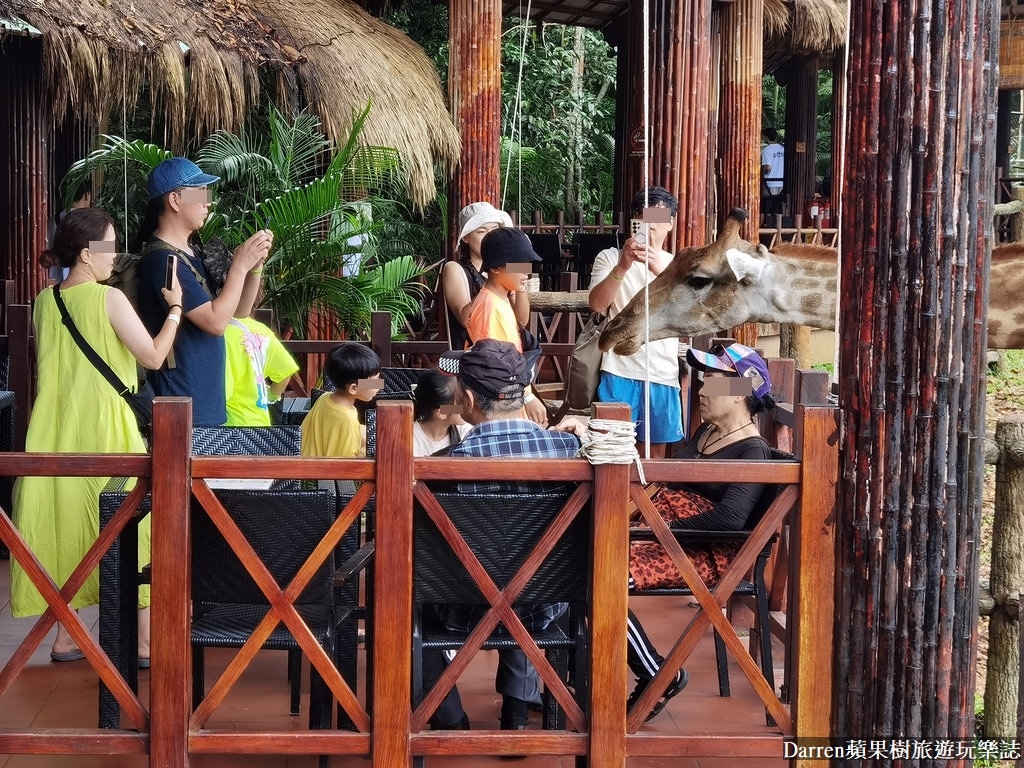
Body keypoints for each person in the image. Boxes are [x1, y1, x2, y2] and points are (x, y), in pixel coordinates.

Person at [10, 208, 183, 663]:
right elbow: (151, 356)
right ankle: (143, 642)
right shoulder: (108, 299)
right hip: (107, 430)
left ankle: (67, 637)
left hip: (54, 432)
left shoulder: (44, 301)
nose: (115, 256)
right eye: (109, 246)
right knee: (132, 528)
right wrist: (175, 311)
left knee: (69, 527)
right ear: (87, 254)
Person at [424, 340, 585, 731]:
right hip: (546, 605)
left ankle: (450, 720)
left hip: (462, 609)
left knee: (402, 597)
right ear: (524, 388)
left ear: (465, 398)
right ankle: (516, 711)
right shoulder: (570, 450)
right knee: (523, 572)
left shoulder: (444, 466)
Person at [626, 343, 777, 718]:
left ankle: (657, 675)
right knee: (578, 564)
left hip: (703, 552)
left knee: (596, 579)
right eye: (704, 379)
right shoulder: (705, 434)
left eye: (715, 382)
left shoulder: (752, 452)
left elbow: (729, 521)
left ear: (743, 391)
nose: (703, 389)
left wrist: (660, 529)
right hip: (667, 540)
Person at [133, 156, 273, 426]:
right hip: (182, 399)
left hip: (204, 400)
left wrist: (255, 267)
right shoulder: (163, 259)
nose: (207, 202)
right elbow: (216, 323)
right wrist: (239, 268)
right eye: (199, 193)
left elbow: (238, 312)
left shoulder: (191, 253)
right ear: (174, 201)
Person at [588, 186, 683, 458]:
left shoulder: (678, 264)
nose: (650, 227)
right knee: (611, 453)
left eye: (657, 219)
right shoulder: (609, 257)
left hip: (662, 373)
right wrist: (622, 266)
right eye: (643, 219)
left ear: (670, 223)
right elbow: (597, 304)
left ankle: (646, 502)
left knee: (654, 456)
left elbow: (686, 309)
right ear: (633, 222)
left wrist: (659, 270)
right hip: (618, 369)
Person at [465, 226, 548, 426]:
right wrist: (527, 397)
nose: (526, 272)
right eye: (518, 265)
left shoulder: (500, 298)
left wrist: (519, 288)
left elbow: (522, 320)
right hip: (498, 408)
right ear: (495, 268)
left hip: (509, 399)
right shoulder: (489, 308)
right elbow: (496, 365)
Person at [440, 202, 530, 352]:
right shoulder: (454, 268)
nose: (489, 236)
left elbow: (521, 321)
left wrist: (520, 282)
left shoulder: (507, 268)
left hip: (506, 352)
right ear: (466, 238)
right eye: (482, 231)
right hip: (472, 356)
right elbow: (465, 319)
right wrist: (495, 279)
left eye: (494, 230)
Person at [300, 342, 382, 457]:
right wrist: (367, 450)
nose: (379, 385)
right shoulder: (346, 419)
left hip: (306, 468)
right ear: (354, 388)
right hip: (324, 473)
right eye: (375, 381)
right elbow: (348, 465)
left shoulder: (325, 398)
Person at [223, 315, 299, 427]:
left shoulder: (222, 334)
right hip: (261, 423)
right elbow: (285, 371)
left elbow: (222, 393)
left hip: (232, 427)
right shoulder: (260, 329)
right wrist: (269, 397)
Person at [411, 369, 471, 456]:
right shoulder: (410, 439)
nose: (466, 404)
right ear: (442, 413)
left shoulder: (466, 433)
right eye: (459, 402)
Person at [46, 182, 92, 282]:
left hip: (55, 278)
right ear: (86, 195)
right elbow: (105, 248)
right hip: (82, 278)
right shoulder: (89, 221)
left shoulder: (52, 221)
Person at [761, 128, 785, 220]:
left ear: (766, 137)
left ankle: (768, 224)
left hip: (770, 183)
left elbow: (768, 167)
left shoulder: (766, 150)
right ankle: (778, 224)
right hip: (782, 182)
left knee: (768, 207)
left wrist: (762, 171)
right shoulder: (782, 148)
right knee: (779, 207)